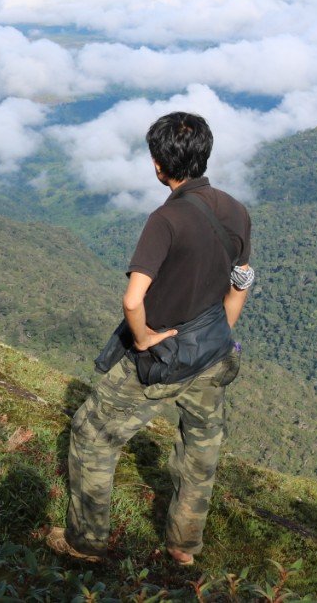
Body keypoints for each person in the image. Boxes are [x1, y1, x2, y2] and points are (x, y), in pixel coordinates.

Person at [48, 111, 254, 567]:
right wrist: (216, 336)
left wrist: (142, 338)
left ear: (158, 165)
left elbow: (133, 299)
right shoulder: (237, 211)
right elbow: (239, 285)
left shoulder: (166, 219)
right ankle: (183, 548)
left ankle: (85, 543)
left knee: (92, 433)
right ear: (205, 154)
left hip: (164, 357)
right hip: (213, 351)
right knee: (200, 449)